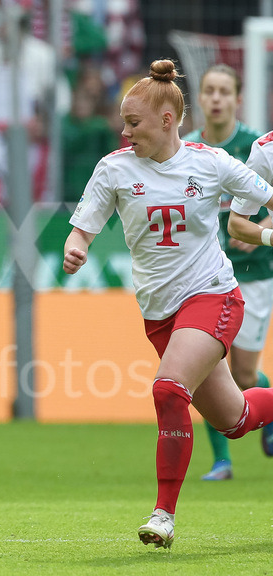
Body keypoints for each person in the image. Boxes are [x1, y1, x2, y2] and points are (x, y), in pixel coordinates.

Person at [63, 59, 273, 550]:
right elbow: (84, 225)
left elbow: (266, 196)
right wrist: (77, 246)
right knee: (236, 419)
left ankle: (164, 515)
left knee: (167, 389)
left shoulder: (211, 162)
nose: (124, 130)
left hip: (213, 295)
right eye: (123, 121)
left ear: (165, 120)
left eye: (133, 122)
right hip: (160, 316)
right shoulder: (113, 168)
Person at [182, 63, 273, 481]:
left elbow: (265, 208)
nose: (216, 98)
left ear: (238, 99)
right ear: (198, 99)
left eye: (224, 91)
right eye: (209, 91)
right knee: (204, 367)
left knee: (240, 373)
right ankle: (222, 461)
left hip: (254, 271)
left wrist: (257, 230)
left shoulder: (255, 147)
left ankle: (265, 396)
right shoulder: (182, 152)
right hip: (202, 277)